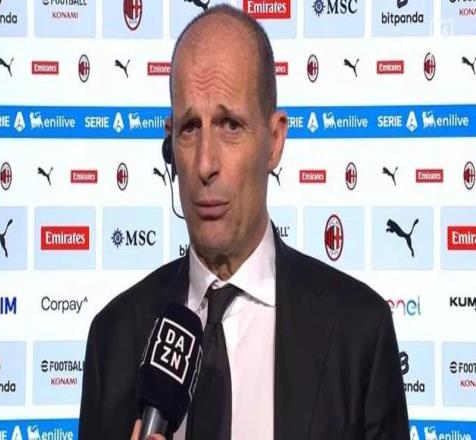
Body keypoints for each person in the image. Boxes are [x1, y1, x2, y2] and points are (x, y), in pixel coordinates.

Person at [79, 5, 409, 440]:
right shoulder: (113, 338)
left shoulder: (359, 329)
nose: (205, 164)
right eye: (189, 128)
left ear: (274, 141)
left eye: (230, 125)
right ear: (170, 144)